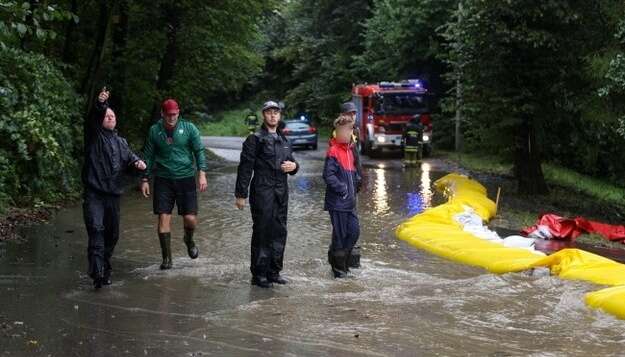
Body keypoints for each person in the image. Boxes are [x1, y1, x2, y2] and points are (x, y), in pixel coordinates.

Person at [82, 88, 146, 289]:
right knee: (96, 230)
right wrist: (101, 104)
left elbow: (130, 159)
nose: (110, 117)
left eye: (112, 115)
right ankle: (97, 272)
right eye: (106, 115)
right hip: (94, 194)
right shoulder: (94, 136)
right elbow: (94, 117)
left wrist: (139, 165)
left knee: (112, 235)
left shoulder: (121, 142)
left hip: (113, 196)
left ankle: (105, 268)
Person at [235, 100, 299, 288]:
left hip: (281, 191)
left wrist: (295, 167)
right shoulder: (255, 138)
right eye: (269, 112)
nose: (273, 115)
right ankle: (259, 274)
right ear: (264, 115)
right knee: (262, 231)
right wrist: (241, 194)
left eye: (276, 112)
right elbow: (245, 168)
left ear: (280, 116)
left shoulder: (285, 140)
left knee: (280, 231)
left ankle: (274, 272)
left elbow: (292, 163)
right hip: (262, 189)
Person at [140, 99, 208, 270]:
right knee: (163, 217)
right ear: (162, 114)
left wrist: (202, 173)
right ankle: (167, 259)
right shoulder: (155, 131)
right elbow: (148, 156)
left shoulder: (189, 128)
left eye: (175, 114)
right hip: (163, 179)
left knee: (190, 219)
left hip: (185, 178)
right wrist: (145, 179)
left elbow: (199, 150)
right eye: (168, 115)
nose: (172, 118)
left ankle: (188, 239)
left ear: (178, 113)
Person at [323, 114, 361, 278]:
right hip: (338, 202)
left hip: (349, 203)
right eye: (344, 130)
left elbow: (352, 173)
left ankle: (340, 263)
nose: (347, 133)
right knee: (340, 236)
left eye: (350, 130)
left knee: (354, 232)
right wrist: (343, 189)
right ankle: (339, 271)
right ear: (337, 132)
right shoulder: (333, 151)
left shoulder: (350, 151)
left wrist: (357, 181)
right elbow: (327, 175)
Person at [339, 101, 362, 268]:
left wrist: (359, 176)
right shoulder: (340, 132)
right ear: (343, 115)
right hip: (343, 186)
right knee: (343, 228)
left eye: (354, 114)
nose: (353, 116)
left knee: (352, 228)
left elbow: (355, 159)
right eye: (349, 114)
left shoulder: (356, 131)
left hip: (353, 183)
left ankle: (347, 259)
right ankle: (339, 263)